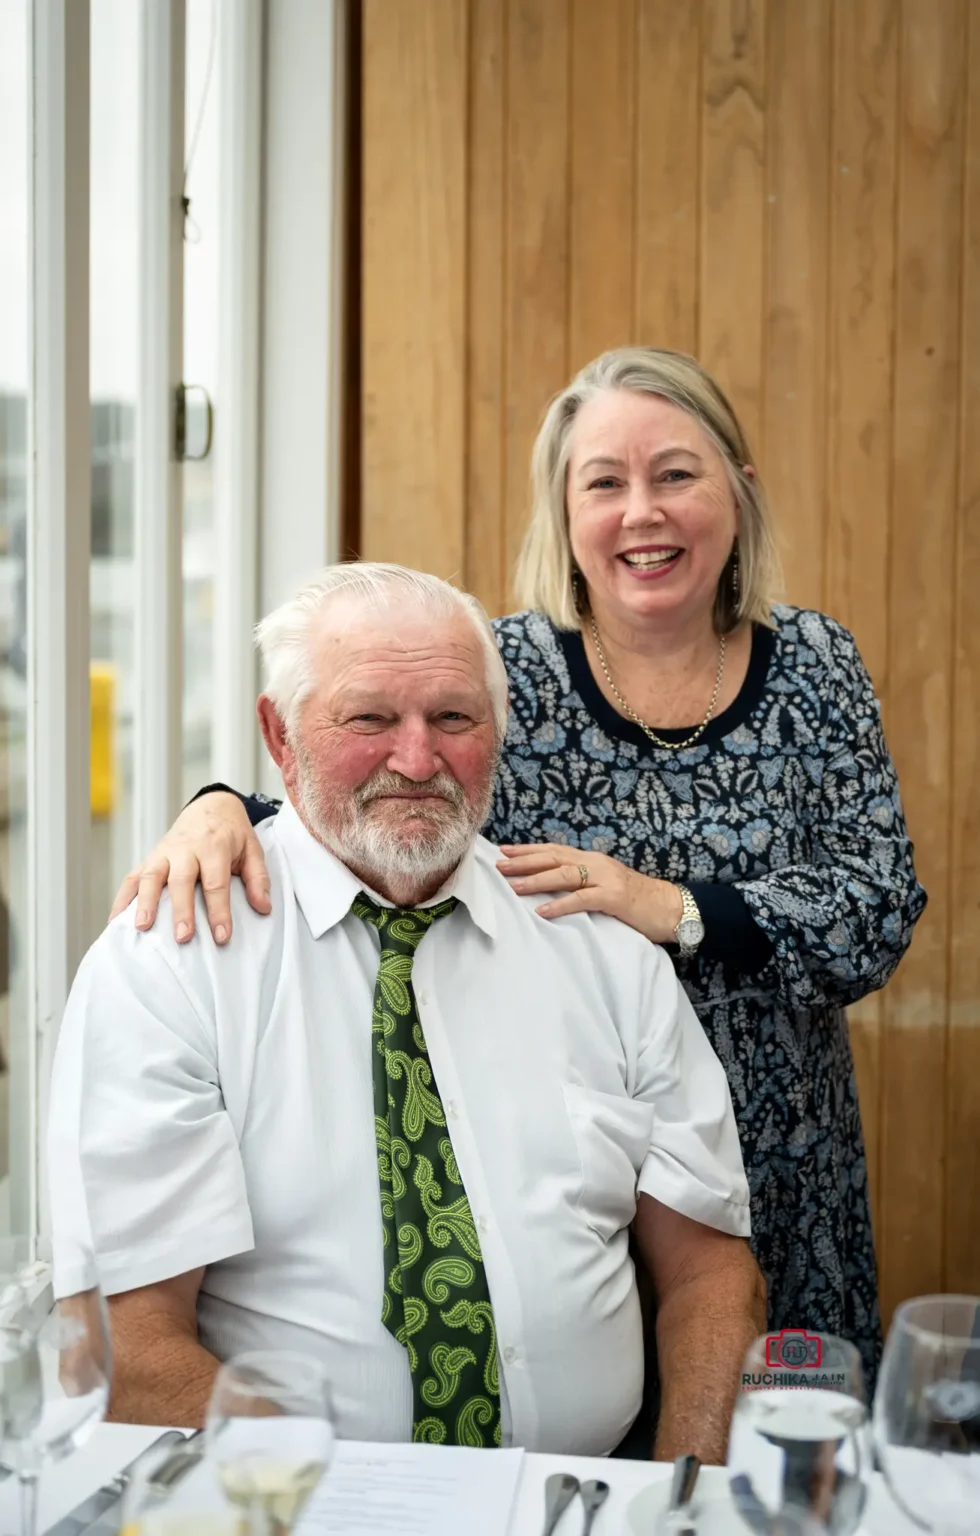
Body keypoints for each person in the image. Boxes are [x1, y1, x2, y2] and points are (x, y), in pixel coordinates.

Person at [114, 347, 927, 1392]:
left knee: (751, 1445)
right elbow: (375, 786)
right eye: (604, 483)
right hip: (555, 1145)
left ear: (738, 488)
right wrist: (217, 809)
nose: (642, 513)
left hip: (779, 1152)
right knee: (565, 1409)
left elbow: (875, 907)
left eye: (674, 474)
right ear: (563, 510)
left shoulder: (814, 664)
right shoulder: (513, 671)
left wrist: (671, 909)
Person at [51, 564, 763, 1459]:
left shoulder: (599, 949)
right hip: (285, 1509)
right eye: (370, 719)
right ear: (280, 735)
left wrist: (682, 1501)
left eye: (454, 719)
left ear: (497, 731)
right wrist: (340, 1504)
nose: (418, 761)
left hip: (580, 1500)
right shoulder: (174, 965)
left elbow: (708, 1269)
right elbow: (124, 1345)